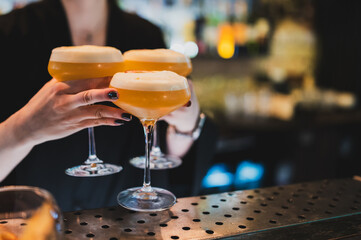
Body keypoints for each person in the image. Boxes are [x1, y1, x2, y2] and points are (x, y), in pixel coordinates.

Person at [0, 0, 218, 211]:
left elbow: (166, 161)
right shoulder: (8, 33)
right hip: (35, 225)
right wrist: (23, 129)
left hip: (133, 223)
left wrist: (186, 128)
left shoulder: (145, 34)